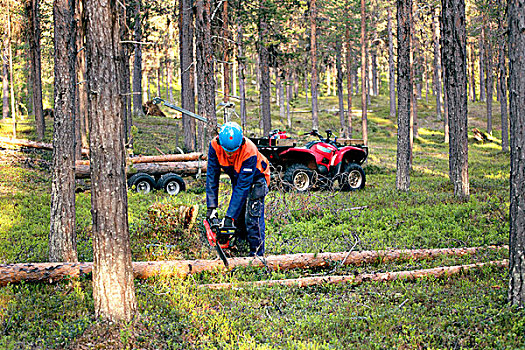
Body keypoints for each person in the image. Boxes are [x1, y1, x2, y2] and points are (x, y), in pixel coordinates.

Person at [206, 122, 270, 257]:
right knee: (239, 215)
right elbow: (212, 176)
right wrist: (211, 207)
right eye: (227, 151)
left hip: (257, 179)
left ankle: (257, 256)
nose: (230, 155)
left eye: (233, 151)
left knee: (253, 217)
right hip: (238, 176)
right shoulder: (214, 145)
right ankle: (241, 246)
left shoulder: (249, 150)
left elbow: (242, 188)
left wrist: (229, 217)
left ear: (241, 144)